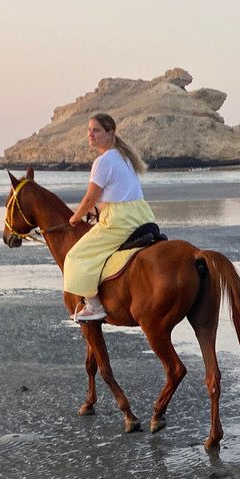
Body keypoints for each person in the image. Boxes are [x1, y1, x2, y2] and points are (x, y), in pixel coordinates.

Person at [64, 113, 155, 322]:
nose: (90, 134)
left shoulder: (103, 161)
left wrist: (75, 218)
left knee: (76, 256)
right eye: (89, 130)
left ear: (109, 133)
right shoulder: (125, 156)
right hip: (140, 214)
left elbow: (89, 200)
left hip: (120, 221)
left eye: (95, 130)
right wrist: (99, 209)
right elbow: (119, 195)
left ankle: (94, 305)